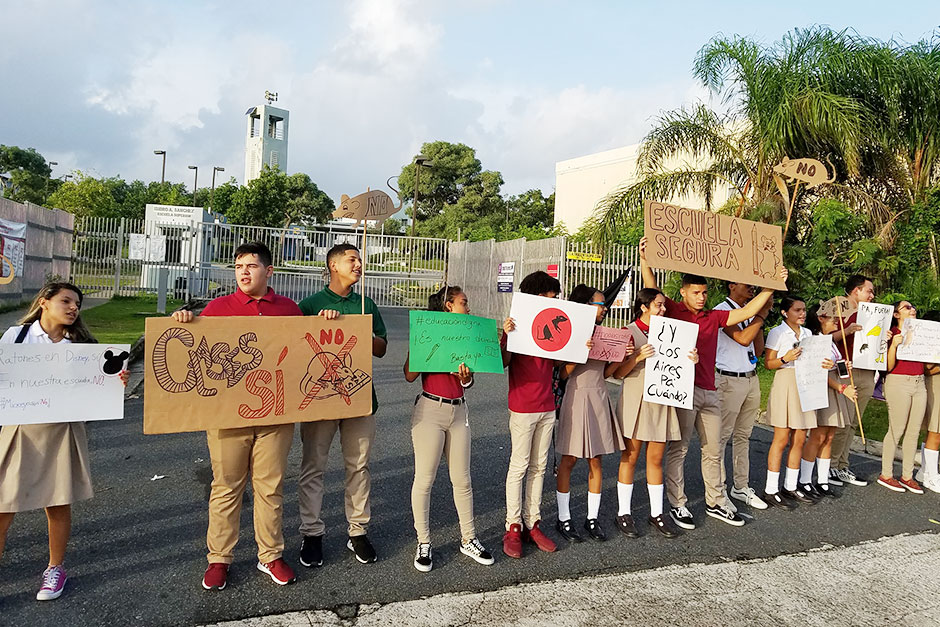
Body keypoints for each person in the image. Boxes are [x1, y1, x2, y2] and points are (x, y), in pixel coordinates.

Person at [173, 242, 302, 591]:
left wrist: (328, 322)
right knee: (227, 487)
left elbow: (305, 355)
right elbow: (188, 349)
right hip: (228, 417)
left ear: (269, 271)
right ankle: (219, 558)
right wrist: (183, 322)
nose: (244, 272)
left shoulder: (290, 310)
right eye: (238, 266)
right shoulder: (216, 309)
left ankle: (271, 554)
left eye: (252, 265)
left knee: (270, 487)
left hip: (276, 414)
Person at [639, 237, 781, 529]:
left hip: (709, 389)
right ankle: (677, 504)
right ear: (683, 293)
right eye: (696, 292)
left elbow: (745, 313)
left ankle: (716, 501)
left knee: (713, 448)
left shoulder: (713, 316)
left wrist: (769, 287)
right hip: (681, 390)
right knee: (679, 449)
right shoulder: (675, 311)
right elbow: (651, 291)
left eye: (704, 292)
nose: (702, 297)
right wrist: (645, 260)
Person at [0, 282, 127, 601]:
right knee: (3, 504)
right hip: (20, 428)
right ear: (44, 302)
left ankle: (55, 569)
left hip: (62, 430)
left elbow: (99, 389)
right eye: (66, 301)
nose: (74, 308)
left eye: (77, 304)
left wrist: (116, 382)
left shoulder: (84, 344)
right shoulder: (17, 337)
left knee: (57, 502)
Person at [296, 243, 388, 567]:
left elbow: (381, 348)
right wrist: (321, 326)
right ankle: (311, 533)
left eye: (360, 259)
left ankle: (358, 531)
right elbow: (293, 350)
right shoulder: (309, 305)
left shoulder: (367, 304)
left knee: (358, 467)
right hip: (319, 402)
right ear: (333, 265)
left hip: (360, 400)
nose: (359, 264)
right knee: (313, 467)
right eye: (352, 259)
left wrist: (356, 328)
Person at [403, 286, 494, 572]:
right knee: (425, 479)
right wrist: (423, 345)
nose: (468, 307)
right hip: (430, 409)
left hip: (458, 410)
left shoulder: (467, 336)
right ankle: (424, 542)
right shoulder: (428, 331)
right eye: (463, 302)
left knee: (463, 480)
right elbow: (408, 374)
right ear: (447, 306)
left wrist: (466, 378)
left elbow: (469, 382)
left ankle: (468, 538)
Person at [610, 288, 695, 539]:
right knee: (630, 457)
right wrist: (637, 357)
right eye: (658, 305)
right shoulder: (628, 331)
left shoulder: (671, 332)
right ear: (644, 306)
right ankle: (623, 512)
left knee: (656, 459)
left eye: (664, 305)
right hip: (636, 401)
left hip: (662, 400)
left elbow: (680, 363)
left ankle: (657, 513)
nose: (663, 309)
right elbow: (617, 374)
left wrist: (691, 359)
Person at [554, 284, 624, 542]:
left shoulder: (606, 334)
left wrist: (621, 356)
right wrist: (579, 352)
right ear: (585, 306)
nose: (604, 308)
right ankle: (563, 518)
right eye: (599, 304)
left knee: (596, 460)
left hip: (599, 395)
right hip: (576, 394)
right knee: (570, 459)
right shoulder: (570, 332)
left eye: (604, 304)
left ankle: (592, 518)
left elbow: (607, 373)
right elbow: (561, 373)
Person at [500, 271, 561, 558]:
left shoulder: (556, 326)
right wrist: (506, 335)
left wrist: (580, 346)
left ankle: (532, 522)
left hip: (547, 405)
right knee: (520, 465)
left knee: (539, 466)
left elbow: (562, 362)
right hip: (523, 405)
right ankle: (513, 526)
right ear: (535, 297)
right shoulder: (518, 326)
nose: (554, 301)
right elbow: (502, 362)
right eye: (549, 296)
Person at [763, 296, 833, 508]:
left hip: (804, 383)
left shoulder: (808, 333)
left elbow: (813, 361)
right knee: (782, 437)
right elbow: (768, 363)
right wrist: (786, 357)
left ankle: (791, 485)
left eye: (803, 310)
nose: (802, 314)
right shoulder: (777, 332)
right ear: (785, 312)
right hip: (786, 381)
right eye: (797, 310)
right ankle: (771, 488)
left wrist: (826, 364)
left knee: (800, 437)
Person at [714, 282, 770, 511]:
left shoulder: (750, 312)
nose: (752, 289)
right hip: (728, 378)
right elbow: (743, 338)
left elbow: (757, 351)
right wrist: (761, 316)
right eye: (747, 285)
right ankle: (718, 490)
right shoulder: (722, 310)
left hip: (750, 376)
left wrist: (759, 318)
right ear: (731, 285)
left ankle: (741, 485)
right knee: (721, 438)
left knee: (743, 436)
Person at [801, 301, 857, 498]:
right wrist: (842, 388)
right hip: (823, 389)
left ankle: (822, 480)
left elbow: (833, 367)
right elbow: (817, 372)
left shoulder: (830, 342)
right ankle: (805, 480)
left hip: (835, 389)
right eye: (833, 317)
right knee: (817, 436)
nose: (837, 321)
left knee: (829, 436)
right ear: (820, 318)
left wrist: (844, 367)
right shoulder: (814, 341)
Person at [827, 275, 876, 487]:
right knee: (843, 420)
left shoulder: (873, 313)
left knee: (854, 421)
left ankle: (842, 465)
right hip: (845, 368)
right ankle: (830, 466)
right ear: (856, 291)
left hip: (867, 368)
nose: (872, 296)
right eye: (869, 291)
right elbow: (823, 336)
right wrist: (846, 331)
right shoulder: (836, 306)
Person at [877, 301, 927, 494]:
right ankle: (886, 474)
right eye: (906, 307)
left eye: (914, 307)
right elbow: (887, 367)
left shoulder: (922, 333)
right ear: (896, 314)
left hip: (919, 381)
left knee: (914, 431)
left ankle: (907, 475)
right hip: (898, 381)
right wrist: (893, 346)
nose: (912, 309)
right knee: (896, 429)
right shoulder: (890, 334)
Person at [916, 310, 940, 493]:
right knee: (935, 431)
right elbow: (925, 369)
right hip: (935, 387)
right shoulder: (927, 342)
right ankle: (932, 476)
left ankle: (925, 471)